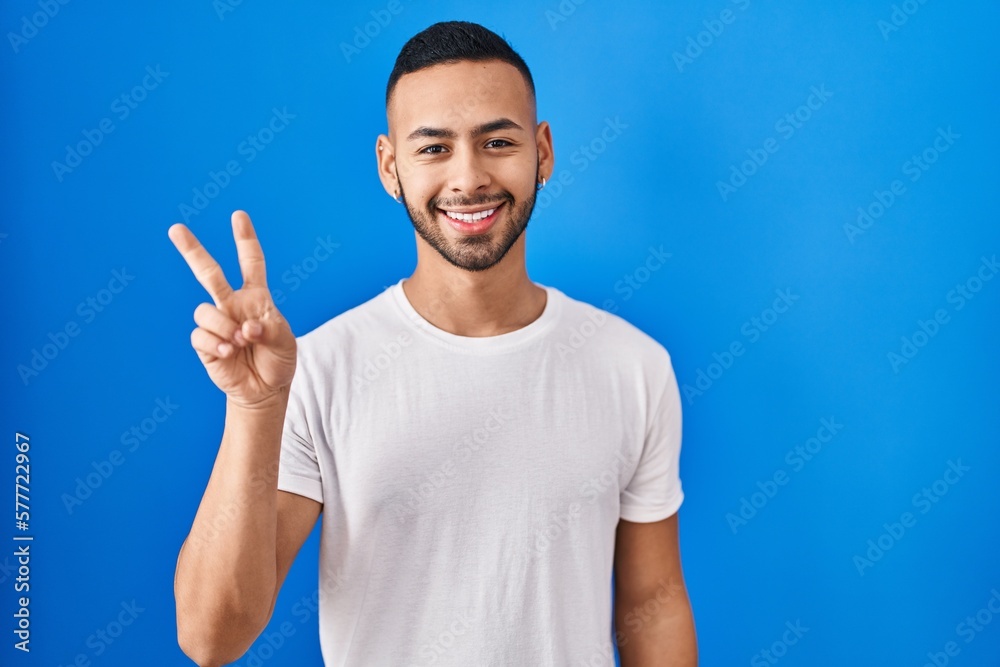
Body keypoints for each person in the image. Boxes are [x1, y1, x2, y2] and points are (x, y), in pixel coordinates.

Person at [170, 20, 696, 667]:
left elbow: (655, 599)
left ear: (543, 152)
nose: (469, 177)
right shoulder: (320, 369)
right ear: (390, 167)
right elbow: (210, 636)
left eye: (497, 141)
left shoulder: (632, 366)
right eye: (434, 148)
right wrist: (254, 408)